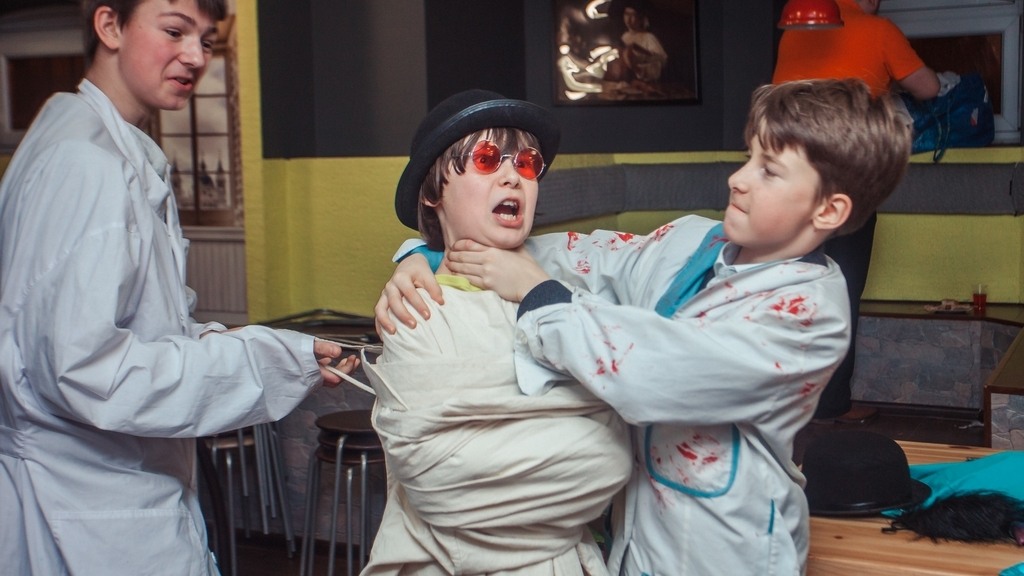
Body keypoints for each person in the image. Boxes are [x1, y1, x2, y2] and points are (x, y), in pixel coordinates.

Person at [377, 79, 913, 574]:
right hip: (639, 539)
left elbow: (653, 373)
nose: (738, 179)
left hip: (726, 550)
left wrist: (538, 294)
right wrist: (423, 254)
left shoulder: (805, 318)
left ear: (828, 210)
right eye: (749, 156)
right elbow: (567, 254)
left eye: (768, 170)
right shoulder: (693, 243)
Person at [0, 1, 357, 574]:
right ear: (109, 26)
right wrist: (261, 363)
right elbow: (86, 370)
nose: (194, 57)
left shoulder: (108, 149)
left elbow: (146, 329)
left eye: (206, 40)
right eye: (174, 31)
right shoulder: (84, 163)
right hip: (87, 511)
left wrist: (274, 351)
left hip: (109, 496)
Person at [361, 89, 632, 575]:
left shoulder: (564, 288)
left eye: (527, 164)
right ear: (431, 192)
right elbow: (438, 483)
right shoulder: (415, 307)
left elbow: (609, 459)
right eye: (487, 159)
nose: (514, 176)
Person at [773, 0, 940, 424]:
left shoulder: (796, 28)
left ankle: (783, 406)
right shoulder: (878, 29)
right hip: (844, 176)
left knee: (788, 287)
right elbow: (929, 88)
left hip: (787, 178)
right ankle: (830, 407)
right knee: (840, 291)